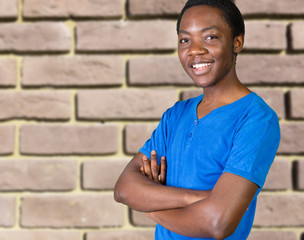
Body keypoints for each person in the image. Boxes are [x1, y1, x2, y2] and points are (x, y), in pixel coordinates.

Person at [114, 0, 281, 239]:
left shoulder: (256, 120)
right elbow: (123, 189)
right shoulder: (176, 115)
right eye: (185, 40)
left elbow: (216, 223)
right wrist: (195, 198)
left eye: (210, 37)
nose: (194, 50)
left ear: (237, 42)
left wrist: (149, 204)